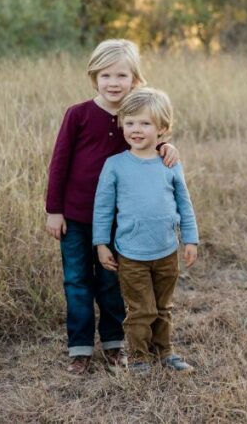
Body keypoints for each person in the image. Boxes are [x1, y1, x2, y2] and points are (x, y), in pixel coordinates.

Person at [44, 39, 179, 375]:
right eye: (106, 75)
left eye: (122, 75)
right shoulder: (78, 114)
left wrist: (166, 146)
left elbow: (150, 138)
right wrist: (54, 209)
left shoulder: (134, 116)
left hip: (120, 219)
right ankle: (80, 349)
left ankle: (115, 345)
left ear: (135, 78)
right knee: (76, 282)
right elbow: (59, 163)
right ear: (95, 76)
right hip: (75, 216)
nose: (114, 82)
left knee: (111, 283)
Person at [93, 88, 199, 374]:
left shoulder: (170, 164)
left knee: (163, 307)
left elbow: (184, 204)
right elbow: (103, 208)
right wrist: (101, 243)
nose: (136, 129)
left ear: (162, 129)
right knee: (142, 309)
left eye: (144, 123)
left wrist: (190, 239)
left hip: (166, 250)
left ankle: (165, 352)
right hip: (131, 254)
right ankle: (140, 357)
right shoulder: (114, 165)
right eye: (129, 123)